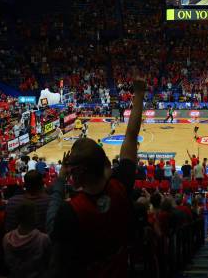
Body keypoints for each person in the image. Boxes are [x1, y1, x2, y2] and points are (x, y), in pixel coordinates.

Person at [47, 79, 146, 277]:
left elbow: (56, 254)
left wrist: (60, 180)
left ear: (74, 174)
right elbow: (130, 136)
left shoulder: (69, 211)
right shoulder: (120, 186)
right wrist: (139, 94)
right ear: (105, 166)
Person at [2, 200, 51, 278]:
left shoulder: (6, 238)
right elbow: (48, 263)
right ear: (34, 216)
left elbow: (8, 263)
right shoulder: (43, 239)